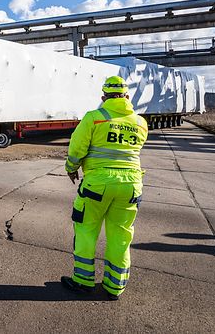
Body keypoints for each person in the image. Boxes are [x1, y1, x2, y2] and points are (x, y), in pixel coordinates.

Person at [60, 75, 148, 300]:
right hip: (131, 186)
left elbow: (77, 148)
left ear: (103, 97)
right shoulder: (140, 123)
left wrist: (71, 168)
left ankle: (83, 281)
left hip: (97, 184)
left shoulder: (94, 118)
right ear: (127, 97)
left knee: (86, 230)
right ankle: (114, 287)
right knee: (121, 236)